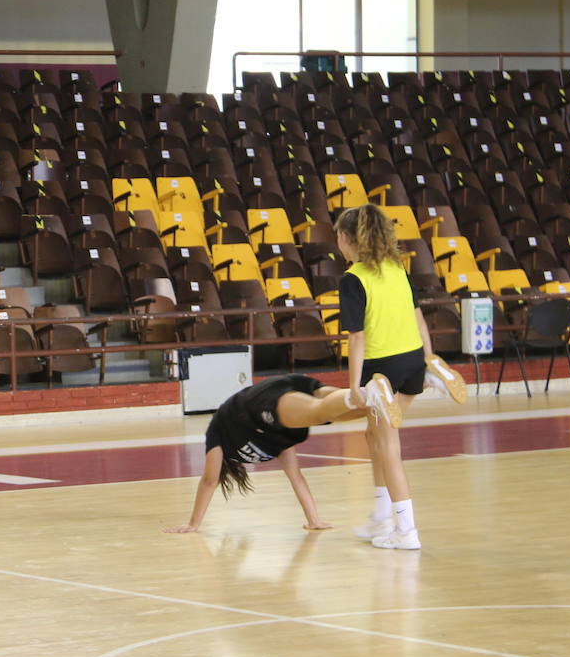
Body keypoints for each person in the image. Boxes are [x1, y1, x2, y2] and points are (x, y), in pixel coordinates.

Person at [334, 203, 467, 551]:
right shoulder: (397, 268)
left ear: (346, 238)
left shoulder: (353, 279)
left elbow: (357, 337)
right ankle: (381, 516)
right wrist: (428, 357)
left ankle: (406, 530)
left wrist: (354, 386)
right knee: (374, 435)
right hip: (411, 362)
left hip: (381, 370)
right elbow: (419, 318)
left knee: (388, 446)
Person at [164, 373, 398, 534]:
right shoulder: (278, 442)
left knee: (319, 412)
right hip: (280, 395)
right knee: (346, 411)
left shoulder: (218, 436)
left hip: (257, 403)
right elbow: (296, 476)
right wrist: (313, 520)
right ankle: (380, 396)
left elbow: (209, 481)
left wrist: (193, 524)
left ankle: (369, 393)